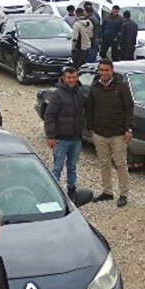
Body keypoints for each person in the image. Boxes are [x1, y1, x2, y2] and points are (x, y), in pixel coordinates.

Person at [85, 58, 134, 207]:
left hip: (118, 134)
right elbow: (89, 109)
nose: (104, 73)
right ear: (98, 71)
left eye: (107, 70)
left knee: (120, 164)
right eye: (102, 70)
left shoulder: (122, 87)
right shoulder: (94, 87)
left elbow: (129, 108)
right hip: (100, 133)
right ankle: (107, 191)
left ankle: (124, 194)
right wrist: (90, 129)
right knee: (103, 163)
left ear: (112, 70)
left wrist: (129, 128)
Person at [44, 67, 86, 196]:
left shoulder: (79, 92)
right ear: (64, 78)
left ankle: (71, 189)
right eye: (69, 77)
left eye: (74, 77)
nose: (72, 80)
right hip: (61, 139)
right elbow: (49, 116)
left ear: (77, 77)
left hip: (76, 138)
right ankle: (53, 192)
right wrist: (50, 136)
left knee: (72, 167)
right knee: (57, 167)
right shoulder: (57, 94)